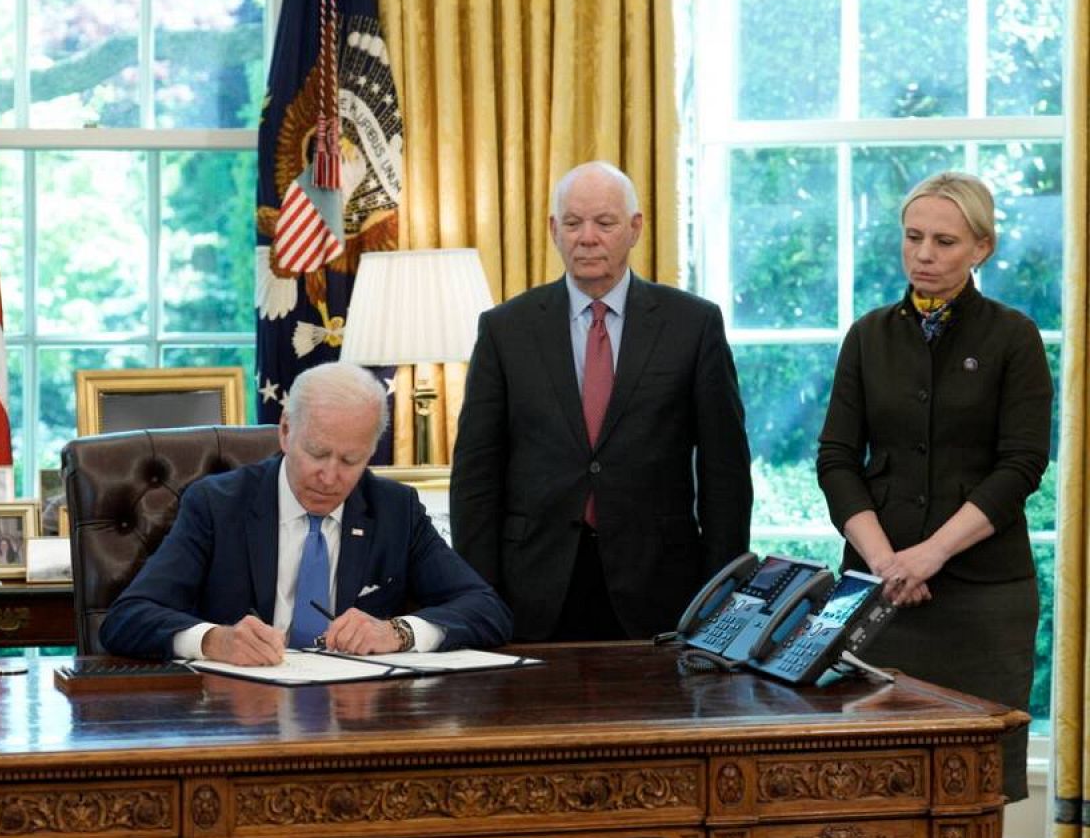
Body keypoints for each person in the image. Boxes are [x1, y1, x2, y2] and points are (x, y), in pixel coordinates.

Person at [816, 171, 1050, 800]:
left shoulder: (1013, 336)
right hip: (877, 592)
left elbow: (1021, 465)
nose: (924, 253)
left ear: (981, 248)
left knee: (971, 793)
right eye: (913, 237)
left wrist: (930, 555)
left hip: (983, 605)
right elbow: (837, 459)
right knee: (871, 785)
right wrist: (885, 562)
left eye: (944, 241)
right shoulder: (868, 335)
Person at [451, 160, 753, 642]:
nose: (586, 237)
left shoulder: (692, 325)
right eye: (572, 223)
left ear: (634, 229)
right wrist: (473, 594)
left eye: (604, 223)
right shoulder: (506, 329)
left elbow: (725, 474)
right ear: (554, 230)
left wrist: (722, 593)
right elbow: (476, 474)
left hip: (661, 587)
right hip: (531, 587)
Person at [101, 362, 513, 664]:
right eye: (317, 453)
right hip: (241, 719)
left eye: (351, 460)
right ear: (285, 431)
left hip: (357, 721)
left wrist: (398, 633)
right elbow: (126, 619)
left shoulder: (394, 510)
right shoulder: (217, 505)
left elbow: (486, 610)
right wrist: (213, 641)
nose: (330, 476)